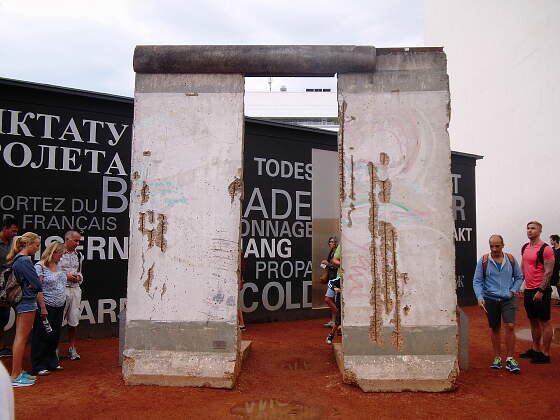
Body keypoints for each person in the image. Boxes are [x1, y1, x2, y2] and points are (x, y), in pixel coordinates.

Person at [472, 235, 523, 373]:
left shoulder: (511, 259)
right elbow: (477, 281)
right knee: (495, 328)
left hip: (508, 298)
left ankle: (510, 358)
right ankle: (497, 357)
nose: (494, 249)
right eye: (491, 246)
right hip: (490, 299)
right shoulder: (483, 260)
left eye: (497, 246)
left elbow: (519, 277)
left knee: (511, 326)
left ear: (503, 245)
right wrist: (479, 296)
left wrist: (513, 291)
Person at [7, 232, 47, 387]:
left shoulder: (20, 260)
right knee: (21, 338)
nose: (38, 249)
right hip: (26, 302)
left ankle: (18, 371)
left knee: (21, 337)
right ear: (28, 244)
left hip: (25, 301)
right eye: (36, 245)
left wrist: (35, 282)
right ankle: (15, 376)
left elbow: (35, 283)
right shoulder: (24, 261)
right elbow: (38, 285)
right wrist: (36, 282)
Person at [31, 241, 75, 376]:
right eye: (60, 255)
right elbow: (38, 288)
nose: (61, 258)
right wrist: (43, 307)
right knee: (42, 335)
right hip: (46, 306)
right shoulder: (40, 266)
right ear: (53, 252)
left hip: (59, 305)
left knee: (54, 335)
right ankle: (39, 365)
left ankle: (52, 362)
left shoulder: (57, 265)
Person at [519, 221, 555, 364]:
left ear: (540, 231)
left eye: (533, 228)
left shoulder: (546, 249)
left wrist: (541, 290)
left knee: (544, 322)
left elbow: (549, 272)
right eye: (528, 228)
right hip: (528, 290)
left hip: (541, 290)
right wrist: (519, 286)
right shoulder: (525, 247)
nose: (529, 231)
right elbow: (523, 267)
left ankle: (545, 354)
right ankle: (535, 349)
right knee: (533, 321)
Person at [59, 230, 85, 360]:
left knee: (74, 320)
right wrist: (66, 276)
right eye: (75, 240)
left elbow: (80, 272)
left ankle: (72, 348)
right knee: (57, 320)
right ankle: (54, 349)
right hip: (60, 290)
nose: (77, 243)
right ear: (67, 239)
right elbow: (51, 272)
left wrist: (78, 277)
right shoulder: (57, 253)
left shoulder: (79, 255)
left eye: (79, 241)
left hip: (75, 290)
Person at [0, 217, 19, 358]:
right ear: (5, 228)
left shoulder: (14, 244)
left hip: (6, 287)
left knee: (2, 318)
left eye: (16, 231)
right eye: (13, 231)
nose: (14, 234)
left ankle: (1, 347)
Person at [326, 243, 342, 344]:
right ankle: (331, 335)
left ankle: (333, 333)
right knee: (340, 317)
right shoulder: (341, 246)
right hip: (339, 283)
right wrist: (336, 289)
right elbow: (332, 283)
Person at [321, 237, 339, 328]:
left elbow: (338, 267)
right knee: (331, 300)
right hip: (331, 279)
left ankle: (339, 317)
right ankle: (333, 321)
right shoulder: (331, 252)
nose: (332, 243)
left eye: (334, 242)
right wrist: (325, 265)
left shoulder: (337, 253)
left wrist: (328, 264)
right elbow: (331, 266)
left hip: (336, 280)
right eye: (331, 242)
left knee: (328, 299)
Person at [550, 234, 560, 306]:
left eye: (551, 240)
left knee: (559, 286)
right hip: (553, 270)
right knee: (549, 285)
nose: (550, 241)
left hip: (559, 271)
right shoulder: (551, 249)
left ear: (555, 240)